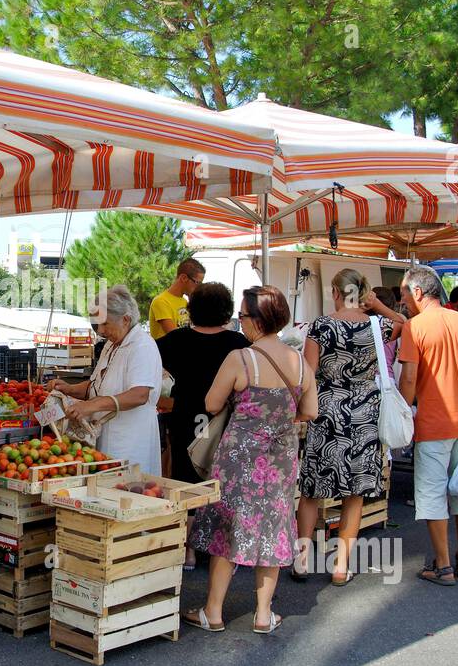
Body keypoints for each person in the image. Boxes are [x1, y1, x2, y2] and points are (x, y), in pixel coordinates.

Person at [184, 286, 318, 634]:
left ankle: (213, 612)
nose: (239, 321)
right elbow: (311, 411)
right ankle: (262, 615)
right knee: (271, 528)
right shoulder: (300, 364)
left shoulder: (241, 359)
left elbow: (212, 405)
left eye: (242, 315)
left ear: (257, 319)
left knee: (230, 529)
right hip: (281, 460)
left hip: (239, 459)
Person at [397, 265, 458, 586]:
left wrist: (401, 412)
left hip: (432, 424)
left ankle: (442, 565)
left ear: (417, 292)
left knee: (431, 494)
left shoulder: (415, 327)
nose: (403, 302)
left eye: (403, 294)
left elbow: (409, 377)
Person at [296, 270, 394, 585]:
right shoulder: (379, 326)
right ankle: (341, 567)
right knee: (355, 493)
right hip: (365, 411)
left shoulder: (322, 325)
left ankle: (300, 561)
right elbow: (407, 323)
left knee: (312, 490)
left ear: (336, 291)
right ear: (362, 291)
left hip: (328, 409)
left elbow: (308, 374)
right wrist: (377, 304)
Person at [156, 282, 249, 569]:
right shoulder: (239, 343)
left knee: (185, 480)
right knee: (222, 480)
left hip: (185, 416)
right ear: (226, 311)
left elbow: (158, 372)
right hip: (226, 420)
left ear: (192, 309)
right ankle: (220, 545)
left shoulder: (173, 341)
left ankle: (188, 550)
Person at [51, 286, 164, 474]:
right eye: (97, 325)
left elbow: (139, 395)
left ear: (125, 320)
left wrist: (91, 406)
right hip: (105, 438)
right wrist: (69, 389)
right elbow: (98, 386)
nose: (101, 331)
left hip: (130, 439)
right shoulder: (111, 345)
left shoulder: (142, 346)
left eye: (105, 324)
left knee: (127, 490)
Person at [149, 258, 205, 339]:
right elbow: (175, 336)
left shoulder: (185, 301)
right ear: (183, 278)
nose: (199, 288)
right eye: (197, 283)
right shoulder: (161, 301)